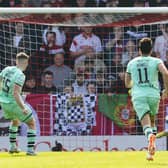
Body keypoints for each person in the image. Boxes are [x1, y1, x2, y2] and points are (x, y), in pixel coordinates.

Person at [125, 38, 168, 161]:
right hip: (154, 95)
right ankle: (150, 152)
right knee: (152, 122)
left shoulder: (132, 63)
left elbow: (127, 83)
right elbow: (165, 73)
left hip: (139, 95)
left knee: (146, 125)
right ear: (151, 50)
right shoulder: (156, 61)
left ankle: (150, 138)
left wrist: (135, 83)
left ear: (139, 50)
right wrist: (167, 90)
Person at [0, 52, 36, 156]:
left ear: (16, 61)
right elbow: (16, 93)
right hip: (13, 103)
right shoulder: (20, 75)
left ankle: (12, 147)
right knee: (31, 123)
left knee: (15, 120)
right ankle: (30, 150)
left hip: (3, 102)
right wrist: (23, 107)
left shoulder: (7, 69)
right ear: (27, 63)